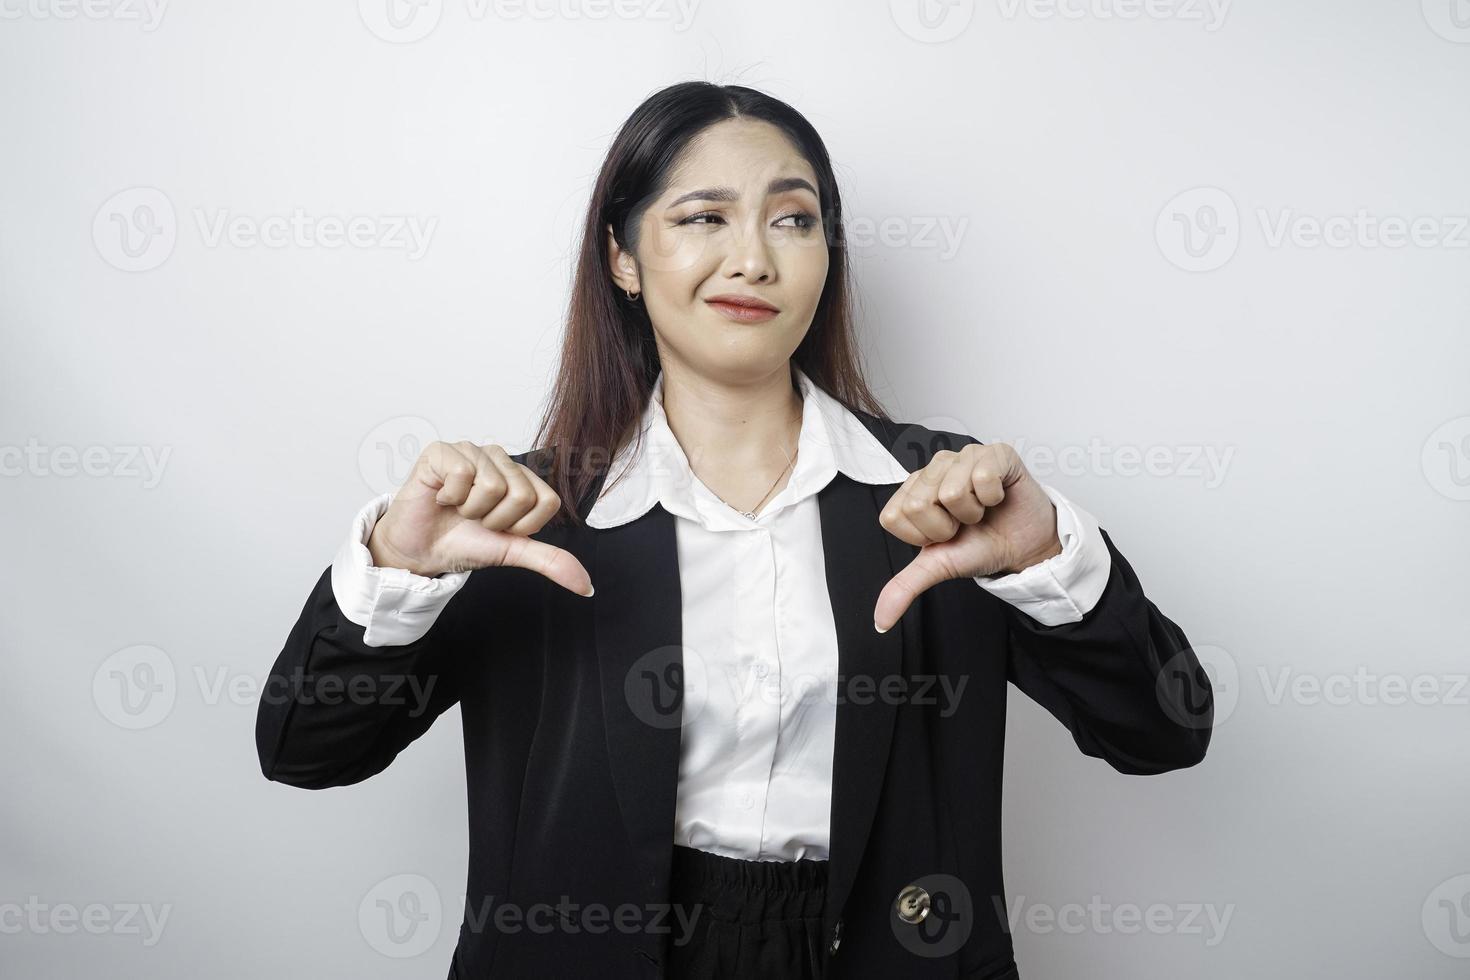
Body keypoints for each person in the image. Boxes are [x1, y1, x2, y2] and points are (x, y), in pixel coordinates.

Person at [254, 81, 1213, 979]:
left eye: (792, 219)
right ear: (623, 257)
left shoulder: (946, 497)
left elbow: (1165, 731)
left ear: (827, 256)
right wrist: (395, 571)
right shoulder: (518, 517)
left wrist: (1047, 558)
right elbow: (305, 750)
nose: (755, 257)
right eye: (703, 217)